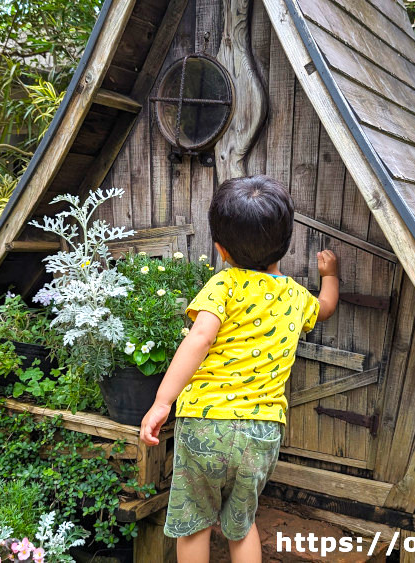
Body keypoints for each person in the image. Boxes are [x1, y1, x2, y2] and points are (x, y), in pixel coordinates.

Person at [139, 175, 339, 563]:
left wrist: (163, 401)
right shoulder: (297, 297)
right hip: (261, 430)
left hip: (204, 421)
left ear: (220, 249)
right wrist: (329, 275)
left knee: (193, 523)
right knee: (241, 524)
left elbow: (199, 338)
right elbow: (326, 307)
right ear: (285, 244)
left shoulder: (223, 285)